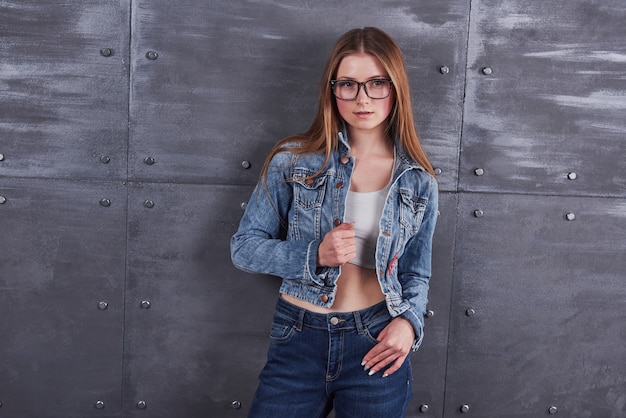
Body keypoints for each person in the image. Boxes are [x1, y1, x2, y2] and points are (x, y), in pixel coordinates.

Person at [231, 27, 438, 418]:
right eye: (348, 84)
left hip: (376, 340)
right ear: (332, 89)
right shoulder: (293, 160)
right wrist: (315, 255)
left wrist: (409, 325)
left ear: (395, 88)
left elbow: (416, 274)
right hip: (298, 336)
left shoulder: (418, 181)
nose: (363, 98)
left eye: (377, 83)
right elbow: (244, 247)